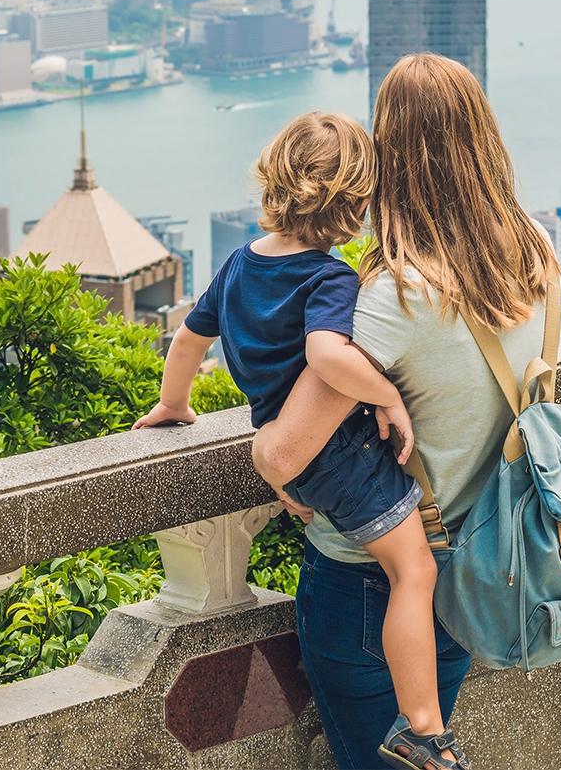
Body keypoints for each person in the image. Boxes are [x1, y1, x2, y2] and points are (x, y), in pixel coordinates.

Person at [252, 53, 560, 770]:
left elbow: (288, 453)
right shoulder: (538, 253)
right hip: (478, 568)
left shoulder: (394, 296)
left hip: (368, 585)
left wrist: (261, 454)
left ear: (387, 151)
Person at [133, 111, 460, 768]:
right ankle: (421, 725)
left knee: (407, 568)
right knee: (414, 568)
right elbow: (327, 355)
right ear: (358, 203)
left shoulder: (237, 265)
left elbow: (190, 339)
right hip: (345, 459)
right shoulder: (330, 278)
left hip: (295, 458)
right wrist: (385, 391)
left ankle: (419, 723)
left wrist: (174, 401)